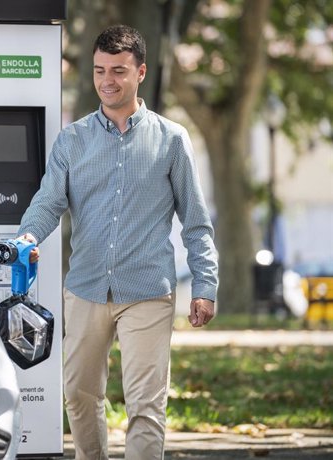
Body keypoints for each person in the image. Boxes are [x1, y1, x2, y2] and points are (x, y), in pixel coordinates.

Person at [17, 25, 219, 460]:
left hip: (147, 289)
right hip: (86, 287)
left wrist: (204, 285)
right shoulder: (72, 140)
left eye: (119, 71)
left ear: (141, 72)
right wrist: (27, 236)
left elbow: (196, 222)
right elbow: (47, 203)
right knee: (79, 394)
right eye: (99, 70)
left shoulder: (171, 140)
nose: (107, 80)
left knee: (146, 405)